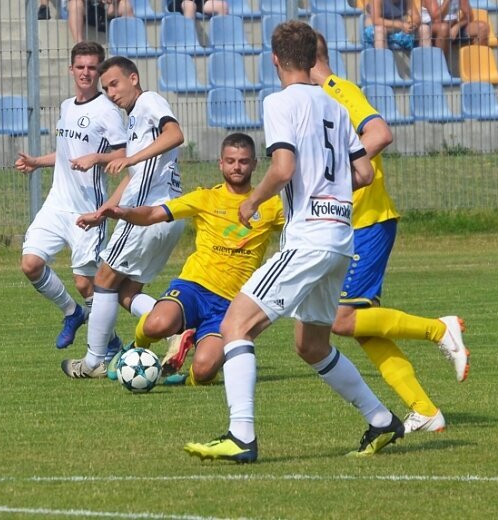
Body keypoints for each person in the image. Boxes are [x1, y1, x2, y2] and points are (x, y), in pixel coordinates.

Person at [183, 21, 403, 464]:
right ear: (314, 59)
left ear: (276, 60)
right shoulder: (336, 107)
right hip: (341, 238)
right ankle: (382, 421)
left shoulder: (280, 102)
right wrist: (331, 195)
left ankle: (241, 436)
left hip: (309, 240)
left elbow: (283, 167)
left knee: (235, 326)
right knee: (311, 345)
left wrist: (254, 202)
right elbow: (361, 174)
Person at [311, 33, 470, 434]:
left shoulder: (338, 91)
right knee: (364, 328)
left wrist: (335, 179)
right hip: (349, 225)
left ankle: (438, 328)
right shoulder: (317, 100)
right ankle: (425, 409)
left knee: (341, 321)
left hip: (366, 223)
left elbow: (379, 133)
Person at [98, 133, 284, 386]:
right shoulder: (205, 198)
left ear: (254, 164)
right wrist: (123, 212)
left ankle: (181, 373)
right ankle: (133, 351)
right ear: (220, 163)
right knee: (157, 325)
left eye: (243, 161)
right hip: (194, 287)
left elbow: (301, 228)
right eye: (230, 161)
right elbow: (154, 213)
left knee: (205, 371)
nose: (236, 166)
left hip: (232, 304)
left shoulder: (271, 205)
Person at [64, 56, 186, 379]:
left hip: (148, 212)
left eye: (114, 84)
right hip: (165, 214)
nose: (111, 93)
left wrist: (132, 157)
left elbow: (175, 134)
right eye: (106, 89)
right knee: (126, 294)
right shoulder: (134, 122)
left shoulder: (148, 101)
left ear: (134, 78)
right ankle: (178, 330)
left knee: (102, 280)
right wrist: (104, 210)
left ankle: (93, 362)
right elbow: (133, 176)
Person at [15, 41, 127, 358]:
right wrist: (37, 162)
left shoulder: (107, 110)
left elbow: (125, 155)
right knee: (30, 264)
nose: (86, 73)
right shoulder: (66, 107)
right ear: (71, 70)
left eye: (93, 67)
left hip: (87, 209)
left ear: (100, 71)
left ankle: (110, 341)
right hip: (56, 204)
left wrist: (97, 158)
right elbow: (67, 154)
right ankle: (71, 313)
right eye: (81, 67)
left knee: (85, 284)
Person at [422, 0, 488, 61]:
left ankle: (480, 65)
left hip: (453, 25)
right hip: (430, 27)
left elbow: (469, 16)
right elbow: (436, 19)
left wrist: (457, 27)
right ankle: (441, 67)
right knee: (444, 28)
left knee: (482, 28)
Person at [364, 0, 432, 50]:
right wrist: (400, 24)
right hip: (378, 30)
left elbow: (416, 18)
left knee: (424, 29)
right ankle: (382, 66)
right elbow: (376, 20)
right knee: (380, 30)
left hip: (398, 32)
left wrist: (412, 26)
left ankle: (426, 64)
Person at [68, 0, 135, 42]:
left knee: (126, 5)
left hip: (107, 6)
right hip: (86, 6)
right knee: (75, 3)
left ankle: (129, 42)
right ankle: (79, 43)